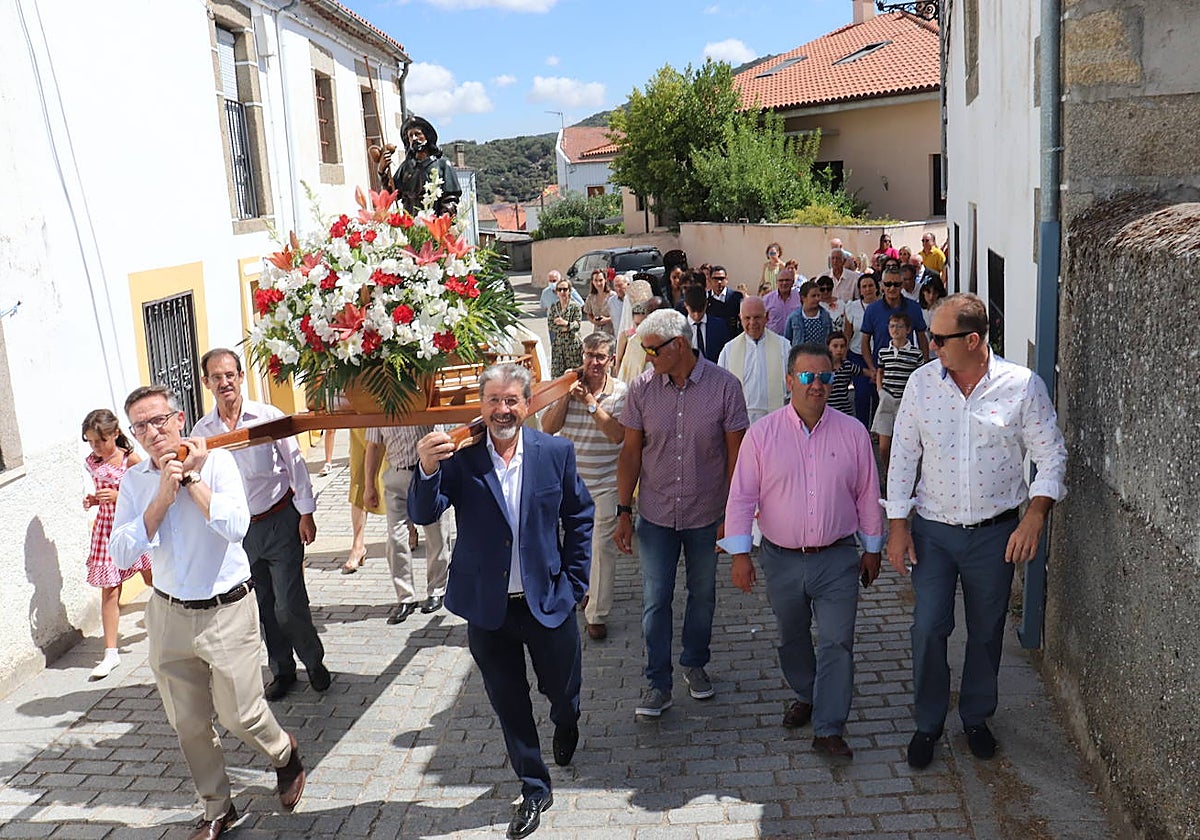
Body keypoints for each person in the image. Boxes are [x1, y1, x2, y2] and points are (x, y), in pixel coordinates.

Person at [110, 384, 306, 838]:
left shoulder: (218, 462)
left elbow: (237, 528)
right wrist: (161, 494)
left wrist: (191, 480)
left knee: (241, 714)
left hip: (227, 608)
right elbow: (121, 553)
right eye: (141, 425)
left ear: (179, 420)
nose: (153, 431)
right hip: (169, 614)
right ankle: (218, 808)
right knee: (189, 724)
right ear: (134, 435)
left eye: (159, 420)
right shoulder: (136, 481)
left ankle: (284, 753)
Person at [884, 293, 1067, 771]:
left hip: (994, 535)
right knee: (928, 628)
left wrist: (1035, 515)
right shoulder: (922, 385)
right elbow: (903, 457)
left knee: (986, 633)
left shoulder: (1022, 386)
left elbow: (1051, 455)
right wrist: (897, 526)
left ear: (972, 340)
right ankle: (928, 723)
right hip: (933, 533)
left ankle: (976, 718)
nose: (931, 344)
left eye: (940, 338)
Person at [409, 364, 592, 840]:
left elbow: (580, 516)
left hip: (548, 601)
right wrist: (427, 468)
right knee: (509, 702)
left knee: (562, 689)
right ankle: (534, 786)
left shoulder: (555, 453)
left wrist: (575, 582)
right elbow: (422, 511)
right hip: (488, 610)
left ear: (527, 405)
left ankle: (566, 720)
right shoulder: (462, 459)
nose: (502, 409)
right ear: (482, 406)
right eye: (493, 400)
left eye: (511, 400)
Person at [722, 343, 883, 759]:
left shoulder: (852, 433)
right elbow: (742, 497)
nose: (817, 385)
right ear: (790, 380)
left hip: (837, 558)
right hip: (781, 558)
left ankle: (829, 727)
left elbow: (868, 495)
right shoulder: (762, 435)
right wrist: (740, 554)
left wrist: (873, 548)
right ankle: (807, 693)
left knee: (836, 640)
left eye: (825, 377)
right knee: (791, 637)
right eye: (808, 377)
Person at [615, 308, 749, 718]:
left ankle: (694, 662)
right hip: (654, 514)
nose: (646, 356)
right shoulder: (641, 389)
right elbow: (631, 452)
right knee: (655, 600)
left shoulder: (725, 387)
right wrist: (623, 510)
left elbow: (736, 457)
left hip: (707, 513)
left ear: (679, 346)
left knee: (703, 595)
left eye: (652, 349)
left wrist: (734, 515)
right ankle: (658, 683)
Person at [193, 349, 330, 702]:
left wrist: (306, 512)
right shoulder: (202, 431)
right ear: (207, 383)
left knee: (289, 604)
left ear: (240, 377)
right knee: (264, 606)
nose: (224, 382)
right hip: (240, 533)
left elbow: (295, 463)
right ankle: (282, 671)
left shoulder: (267, 417)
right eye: (216, 377)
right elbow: (199, 482)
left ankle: (314, 662)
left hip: (279, 520)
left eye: (230, 375)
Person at [541, 332, 627, 641]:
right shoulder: (568, 385)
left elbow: (618, 435)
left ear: (611, 360)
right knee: (576, 545)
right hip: (570, 484)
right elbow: (548, 427)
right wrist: (566, 394)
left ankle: (597, 615)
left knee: (602, 548)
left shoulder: (621, 392)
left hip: (606, 482)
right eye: (589, 355)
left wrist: (591, 403)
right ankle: (581, 590)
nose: (593, 362)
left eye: (600, 357)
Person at [80, 409, 153, 680]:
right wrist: (95, 500)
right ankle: (111, 652)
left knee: (151, 578)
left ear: (115, 434)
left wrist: (118, 494)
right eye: (90, 442)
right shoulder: (93, 462)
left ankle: (179, 607)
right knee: (110, 590)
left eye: (100, 441)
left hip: (131, 525)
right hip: (106, 530)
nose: (95, 448)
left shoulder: (130, 459)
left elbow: (149, 491)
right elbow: (105, 495)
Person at [362, 425, 453, 624]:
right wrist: (369, 486)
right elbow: (374, 446)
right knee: (396, 539)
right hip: (396, 475)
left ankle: (437, 590)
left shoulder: (424, 400)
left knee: (436, 535)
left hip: (426, 472)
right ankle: (405, 597)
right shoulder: (380, 405)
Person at [717, 296, 791, 424]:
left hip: (776, 420)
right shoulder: (729, 350)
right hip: (741, 423)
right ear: (740, 318)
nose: (752, 323)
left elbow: (792, 389)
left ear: (766, 317)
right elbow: (721, 390)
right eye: (747, 318)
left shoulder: (784, 346)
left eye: (757, 317)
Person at [376, 114, 461, 217]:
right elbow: (390, 194)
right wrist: (382, 171)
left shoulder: (442, 164)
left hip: (433, 224)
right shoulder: (406, 167)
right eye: (410, 136)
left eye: (418, 134)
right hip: (411, 226)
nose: (414, 138)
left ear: (427, 136)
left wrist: (444, 220)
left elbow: (450, 199)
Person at [872, 312, 926, 472]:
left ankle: (904, 473)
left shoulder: (915, 353)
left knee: (905, 442)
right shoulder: (884, 352)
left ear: (908, 329)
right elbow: (880, 372)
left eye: (899, 326)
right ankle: (888, 472)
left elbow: (919, 376)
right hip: (887, 398)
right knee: (883, 445)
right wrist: (880, 390)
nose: (895, 330)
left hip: (905, 400)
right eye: (892, 326)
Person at [860, 267, 930, 378]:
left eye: (896, 284)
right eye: (888, 284)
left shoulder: (914, 308)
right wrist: (872, 368)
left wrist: (924, 365)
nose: (892, 288)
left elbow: (922, 337)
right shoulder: (872, 310)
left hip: (908, 371)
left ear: (902, 285)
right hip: (881, 372)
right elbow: (864, 341)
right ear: (882, 285)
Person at [341, 427, 385, 574]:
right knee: (358, 480)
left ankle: (409, 528)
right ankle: (358, 545)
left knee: (395, 470)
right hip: (359, 420)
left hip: (389, 416)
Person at [843, 274, 881, 426]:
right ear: (859, 290)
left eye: (870, 285)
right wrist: (843, 357)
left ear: (876, 287)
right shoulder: (851, 307)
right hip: (857, 355)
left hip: (879, 355)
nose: (868, 289)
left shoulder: (882, 306)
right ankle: (862, 428)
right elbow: (847, 334)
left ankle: (877, 429)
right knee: (862, 393)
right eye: (864, 286)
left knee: (879, 394)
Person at [683, 283, 730, 363]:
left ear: (706, 304)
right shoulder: (680, 329)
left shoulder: (719, 326)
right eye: (693, 311)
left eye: (700, 310)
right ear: (685, 305)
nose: (697, 315)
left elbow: (727, 354)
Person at [547, 279, 584, 378]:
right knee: (557, 375)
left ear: (569, 291)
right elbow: (551, 325)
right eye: (559, 290)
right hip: (558, 346)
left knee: (573, 374)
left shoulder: (575, 307)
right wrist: (566, 328)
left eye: (565, 289)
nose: (562, 292)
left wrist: (565, 323)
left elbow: (577, 325)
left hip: (572, 346)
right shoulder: (554, 307)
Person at [784, 280, 834, 348]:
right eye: (813, 296)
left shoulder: (825, 316)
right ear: (803, 297)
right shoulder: (794, 317)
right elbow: (787, 340)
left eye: (818, 295)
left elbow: (830, 338)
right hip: (800, 355)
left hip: (821, 355)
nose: (817, 298)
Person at [826, 333, 861, 417]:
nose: (839, 349)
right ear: (828, 347)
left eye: (842, 346)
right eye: (835, 346)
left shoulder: (848, 366)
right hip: (827, 410)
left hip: (844, 411)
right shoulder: (823, 367)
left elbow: (863, 372)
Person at [763, 266, 803, 335]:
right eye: (781, 280)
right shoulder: (767, 299)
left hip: (794, 341)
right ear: (776, 282)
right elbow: (762, 321)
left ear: (793, 282)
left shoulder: (800, 298)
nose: (784, 283)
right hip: (774, 340)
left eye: (787, 280)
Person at [705, 265, 744, 337]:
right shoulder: (705, 298)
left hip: (731, 338)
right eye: (715, 279)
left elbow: (742, 321)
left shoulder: (736, 297)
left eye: (721, 278)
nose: (719, 282)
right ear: (710, 280)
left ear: (726, 279)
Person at [582, 269, 615, 334]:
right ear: (592, 282)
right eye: (595, 280)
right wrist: (594, 321)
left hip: (611, 332)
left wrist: (607, 319)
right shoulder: (590, 297)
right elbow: (589, 314)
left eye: (600, 280)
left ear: (605, 280)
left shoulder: (613, 296)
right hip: (597, 333)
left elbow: (619, 314)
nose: (598, 283)